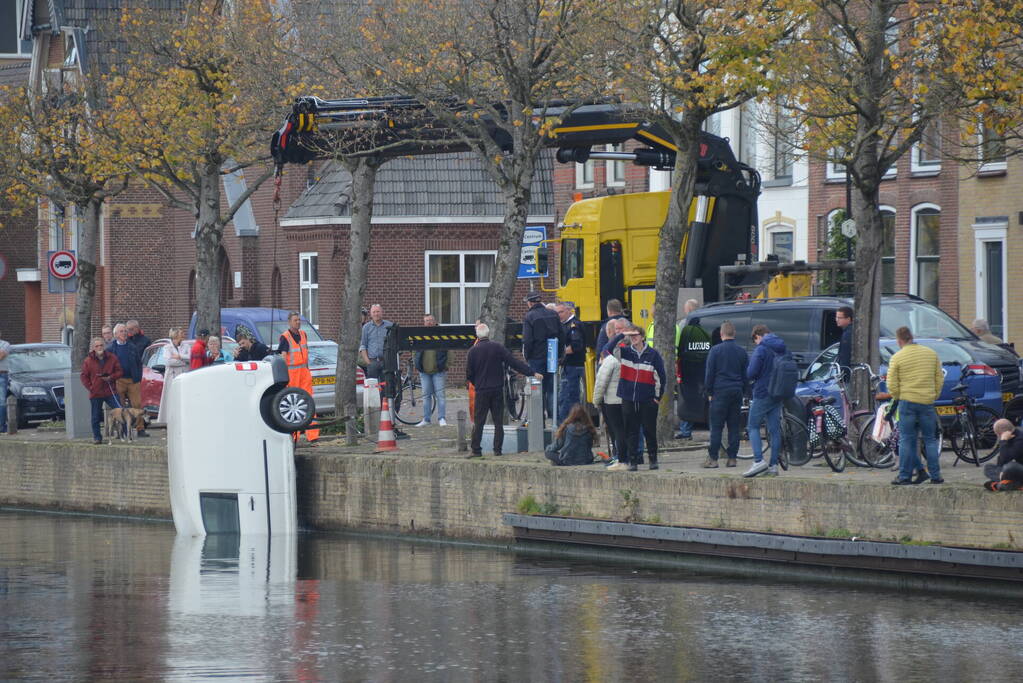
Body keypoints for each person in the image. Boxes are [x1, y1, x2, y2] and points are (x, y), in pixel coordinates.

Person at [466, 322, 542, 458]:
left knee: (479, 422)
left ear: (477, 335)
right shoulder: (497, 347)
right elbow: (514, 362)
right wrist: (531, 372)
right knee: (498, 422)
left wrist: (477, 383)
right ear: (488, 334)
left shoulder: (473, 351)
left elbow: (469, 374)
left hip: (482, 390)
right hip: (497, 389)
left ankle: (476, 450)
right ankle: (497, 450)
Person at [888, 326, 944, 485]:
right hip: (927, 402)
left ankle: (904, 476)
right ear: (912, 337)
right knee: (930, 439)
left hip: (907, 402)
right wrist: (934, 395)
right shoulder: (931, 354)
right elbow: (939, 378)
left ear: (899, 340)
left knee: (906, 439)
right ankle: (935, 476)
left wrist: (898, 396)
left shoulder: (897, 357)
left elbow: (891, 383)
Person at [610, 324, 666, 472]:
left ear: (642, 337)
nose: (633, 338)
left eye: (636, 335)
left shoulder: (653, 354)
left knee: (649, 431)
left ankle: (653, 459)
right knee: (631, 431)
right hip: (628, 398)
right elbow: (608, 349)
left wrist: (657, 397)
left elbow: (661, 377)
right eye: (631, 336)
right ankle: (633, 460)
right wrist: (622, 335)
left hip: (648, 399)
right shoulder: (625, 352)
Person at [743, 324, 787, 477]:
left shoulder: (761, 349)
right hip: (778, 392)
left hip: (763, 393)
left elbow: (751, 373)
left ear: (758, 336)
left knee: (752, 426)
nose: (756, 343)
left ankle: (758, 461)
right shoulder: (781, 347)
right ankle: (773, 466)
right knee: (774, 430)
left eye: (755, 340)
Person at [703, 320, 748, 468]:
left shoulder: (715, 351)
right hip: (736, 392)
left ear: (721, 334)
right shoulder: (742, 352)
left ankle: (713, 459)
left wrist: (709, 391)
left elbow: (709, 374)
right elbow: (745, 375)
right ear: (734, 334)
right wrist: (746, 392)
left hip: (719, 391)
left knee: (716, 427)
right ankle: (732, 458)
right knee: (734, 427)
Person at [278, 312, 319, 444]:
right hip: (292, 375)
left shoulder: (303, 334)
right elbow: (283, 357)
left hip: (304, 373)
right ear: (289, 322)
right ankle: (294, 436)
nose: (298, 322)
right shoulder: (285, 337)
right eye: (295, 320)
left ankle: (313, 436)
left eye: (299, 320)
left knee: (309, 403)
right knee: (294, 405)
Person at [521, 292, 563, 421]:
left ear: (530, 302)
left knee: (537, 390)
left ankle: (539, 422)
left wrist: (527, 356)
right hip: (552, 358)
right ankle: (554, 419)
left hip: (536, 359)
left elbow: (527, 340)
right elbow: (561, 335)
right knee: (552, 389)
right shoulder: (553, 314)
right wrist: (559, 355)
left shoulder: (530, 316)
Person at [592, 320, 625, 467]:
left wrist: (596, 400)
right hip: (617, 397)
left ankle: (619, 457)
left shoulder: (611, 354)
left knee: (616, 429)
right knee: (618, 429)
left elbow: (601, 380)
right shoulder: (613, 350)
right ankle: (621, 456)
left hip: (612, 399)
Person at [80, 337, 124, 444]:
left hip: (110, 391)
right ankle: (97, 437)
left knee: (120, 411)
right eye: (97, 346)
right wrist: (91, 387)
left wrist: (111, 377)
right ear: (93, 348)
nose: (99, 347)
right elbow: (84, 376)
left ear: (104, 346)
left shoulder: (112, 358)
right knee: (95, 416)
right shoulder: (88, 361)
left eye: (101, 345)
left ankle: (125, 434)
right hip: (96, 392)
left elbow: (120, 372)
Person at [108, 323, 148, 437]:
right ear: (115, 334)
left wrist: (138, 377)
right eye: (121, 331)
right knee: (119, 407)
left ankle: (140, 429)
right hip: (118, 380)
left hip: (132, 380)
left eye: (125, 331)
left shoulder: (132, 347)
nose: (124, 333)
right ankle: (121, 430)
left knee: (137, 404)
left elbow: (138, 363)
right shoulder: (111, 349)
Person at [676, 298, 708, 440]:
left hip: (689, 367)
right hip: (704, 366)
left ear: (688, 310)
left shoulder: (685, 324)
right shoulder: (706, 322)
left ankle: (685, 431)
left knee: (687, 398)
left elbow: (680, 346)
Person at [414, 313, 448, 427]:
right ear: (424, 322)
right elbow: (415, 350)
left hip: (438, 371)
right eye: (426, 320)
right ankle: (426, 419)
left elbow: (450, 350)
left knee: (440, 396)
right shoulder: (420, 335)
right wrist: (416, 363)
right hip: (424, 372)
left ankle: (442, 418)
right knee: (425, 396)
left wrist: (446, 365)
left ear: (435, 321)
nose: (429, 322)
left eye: (430, 320)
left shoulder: (441, 334)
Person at [556, 301, 585, 422]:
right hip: (569, 366)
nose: (559, 315)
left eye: (561, 312)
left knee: (568, 397)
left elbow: (575, 346)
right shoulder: (565, 324)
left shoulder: (573, 325)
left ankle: (568, 425)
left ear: (569, 311)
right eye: (557, 312)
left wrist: (560, 355)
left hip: (572, 365)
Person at [157, 327, 190, 424]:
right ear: (176, 335)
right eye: (181, 333)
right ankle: (169, 419)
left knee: (182, 398)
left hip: (183, 375)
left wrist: (180, 357)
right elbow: (169, 362)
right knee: (171, 398)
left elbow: (190, 357)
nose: (183, 334)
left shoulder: (186, 345)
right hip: (171, 376)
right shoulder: (167, 347)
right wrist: (184, 362)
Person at [985, 419, 1023, 491]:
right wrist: (1001, 471)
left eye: (997, 435)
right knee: (988, 468)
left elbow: (1006, 459)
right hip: (1013, 473)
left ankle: (1001, 484)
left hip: (1017, 469)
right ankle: (1008, 483)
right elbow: (1001, 461)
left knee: (1010, 466)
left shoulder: (1020, 440)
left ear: (1001, 433)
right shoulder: (1010, 438)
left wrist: (1003, 441)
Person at [359, 304, 393, 380]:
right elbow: (363, 346)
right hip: (372, 362)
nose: (376, 314)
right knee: (372, 388)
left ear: (382, 312)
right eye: (374, 312)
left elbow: (394, 344)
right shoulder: (366, 328)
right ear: (371, 314)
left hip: (386, 362)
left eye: (378, 311)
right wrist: (368, 362)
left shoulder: (390, 326)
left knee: (387, 387)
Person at [835, 306, 854, 378]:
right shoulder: (849, 331)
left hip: (847, 375)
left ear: (848, 319)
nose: (837, 320)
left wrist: (843, 374)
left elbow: (845, 356)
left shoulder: (848, 334)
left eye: (840, 318)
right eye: (836, 317)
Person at [0, 331, 9, 435]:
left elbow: (1, 356)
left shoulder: (5, 344)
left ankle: (1, 426)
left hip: (2, 375)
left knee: (2, 401)